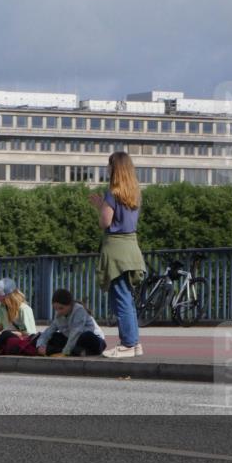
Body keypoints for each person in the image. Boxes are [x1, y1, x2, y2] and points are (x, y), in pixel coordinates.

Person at [92, 151, 147, 359]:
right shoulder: (134, 193)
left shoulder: (112, 193)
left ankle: (128, 343)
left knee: (120, 299)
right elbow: (121, 219)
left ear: (115, 169)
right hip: (131, 248)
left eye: (109, 166)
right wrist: (103, 206)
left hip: (115, 250)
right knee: (127, 298)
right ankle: (134, 344)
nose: (107, 169)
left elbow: (106, 222)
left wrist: (101, 208)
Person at [36, 289, 107, 357]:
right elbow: (49, 331)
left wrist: (65, 352)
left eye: (61, 308)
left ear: (70, 305)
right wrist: (41, 345)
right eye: (56, 309)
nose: (59, 312)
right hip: (73, 342)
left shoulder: (79, 310)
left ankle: (70, 351)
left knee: (85, 336)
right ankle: (78, 351)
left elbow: (76, 333)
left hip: (93, 340)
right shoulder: (59, 316)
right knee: (54, 336)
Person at [0, 278, 38, 356]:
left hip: (19, 341)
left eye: (1, 299)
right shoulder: (2, 307)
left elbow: (29, 334)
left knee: (6, 334)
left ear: (10, 297)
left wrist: (11, 333)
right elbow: (1, 325)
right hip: (4, 338)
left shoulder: (24, 309)